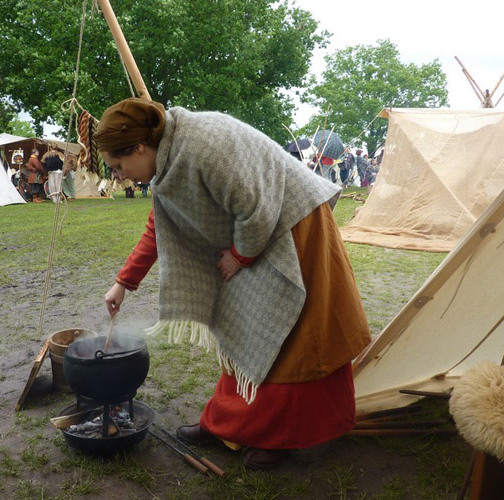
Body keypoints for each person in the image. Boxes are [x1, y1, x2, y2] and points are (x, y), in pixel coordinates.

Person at [97, 98, 371, 470]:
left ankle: (278, 436)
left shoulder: (205, 143)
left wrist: (239, 256)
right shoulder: (167, 159)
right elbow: (158, 226)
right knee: (243, 328)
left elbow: (255, 208)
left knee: (290, 336)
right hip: (256, 230)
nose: (119, 176)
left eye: (118, 166)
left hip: (295, 225)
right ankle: (226, 423)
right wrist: (124, 283)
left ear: (139, 147)